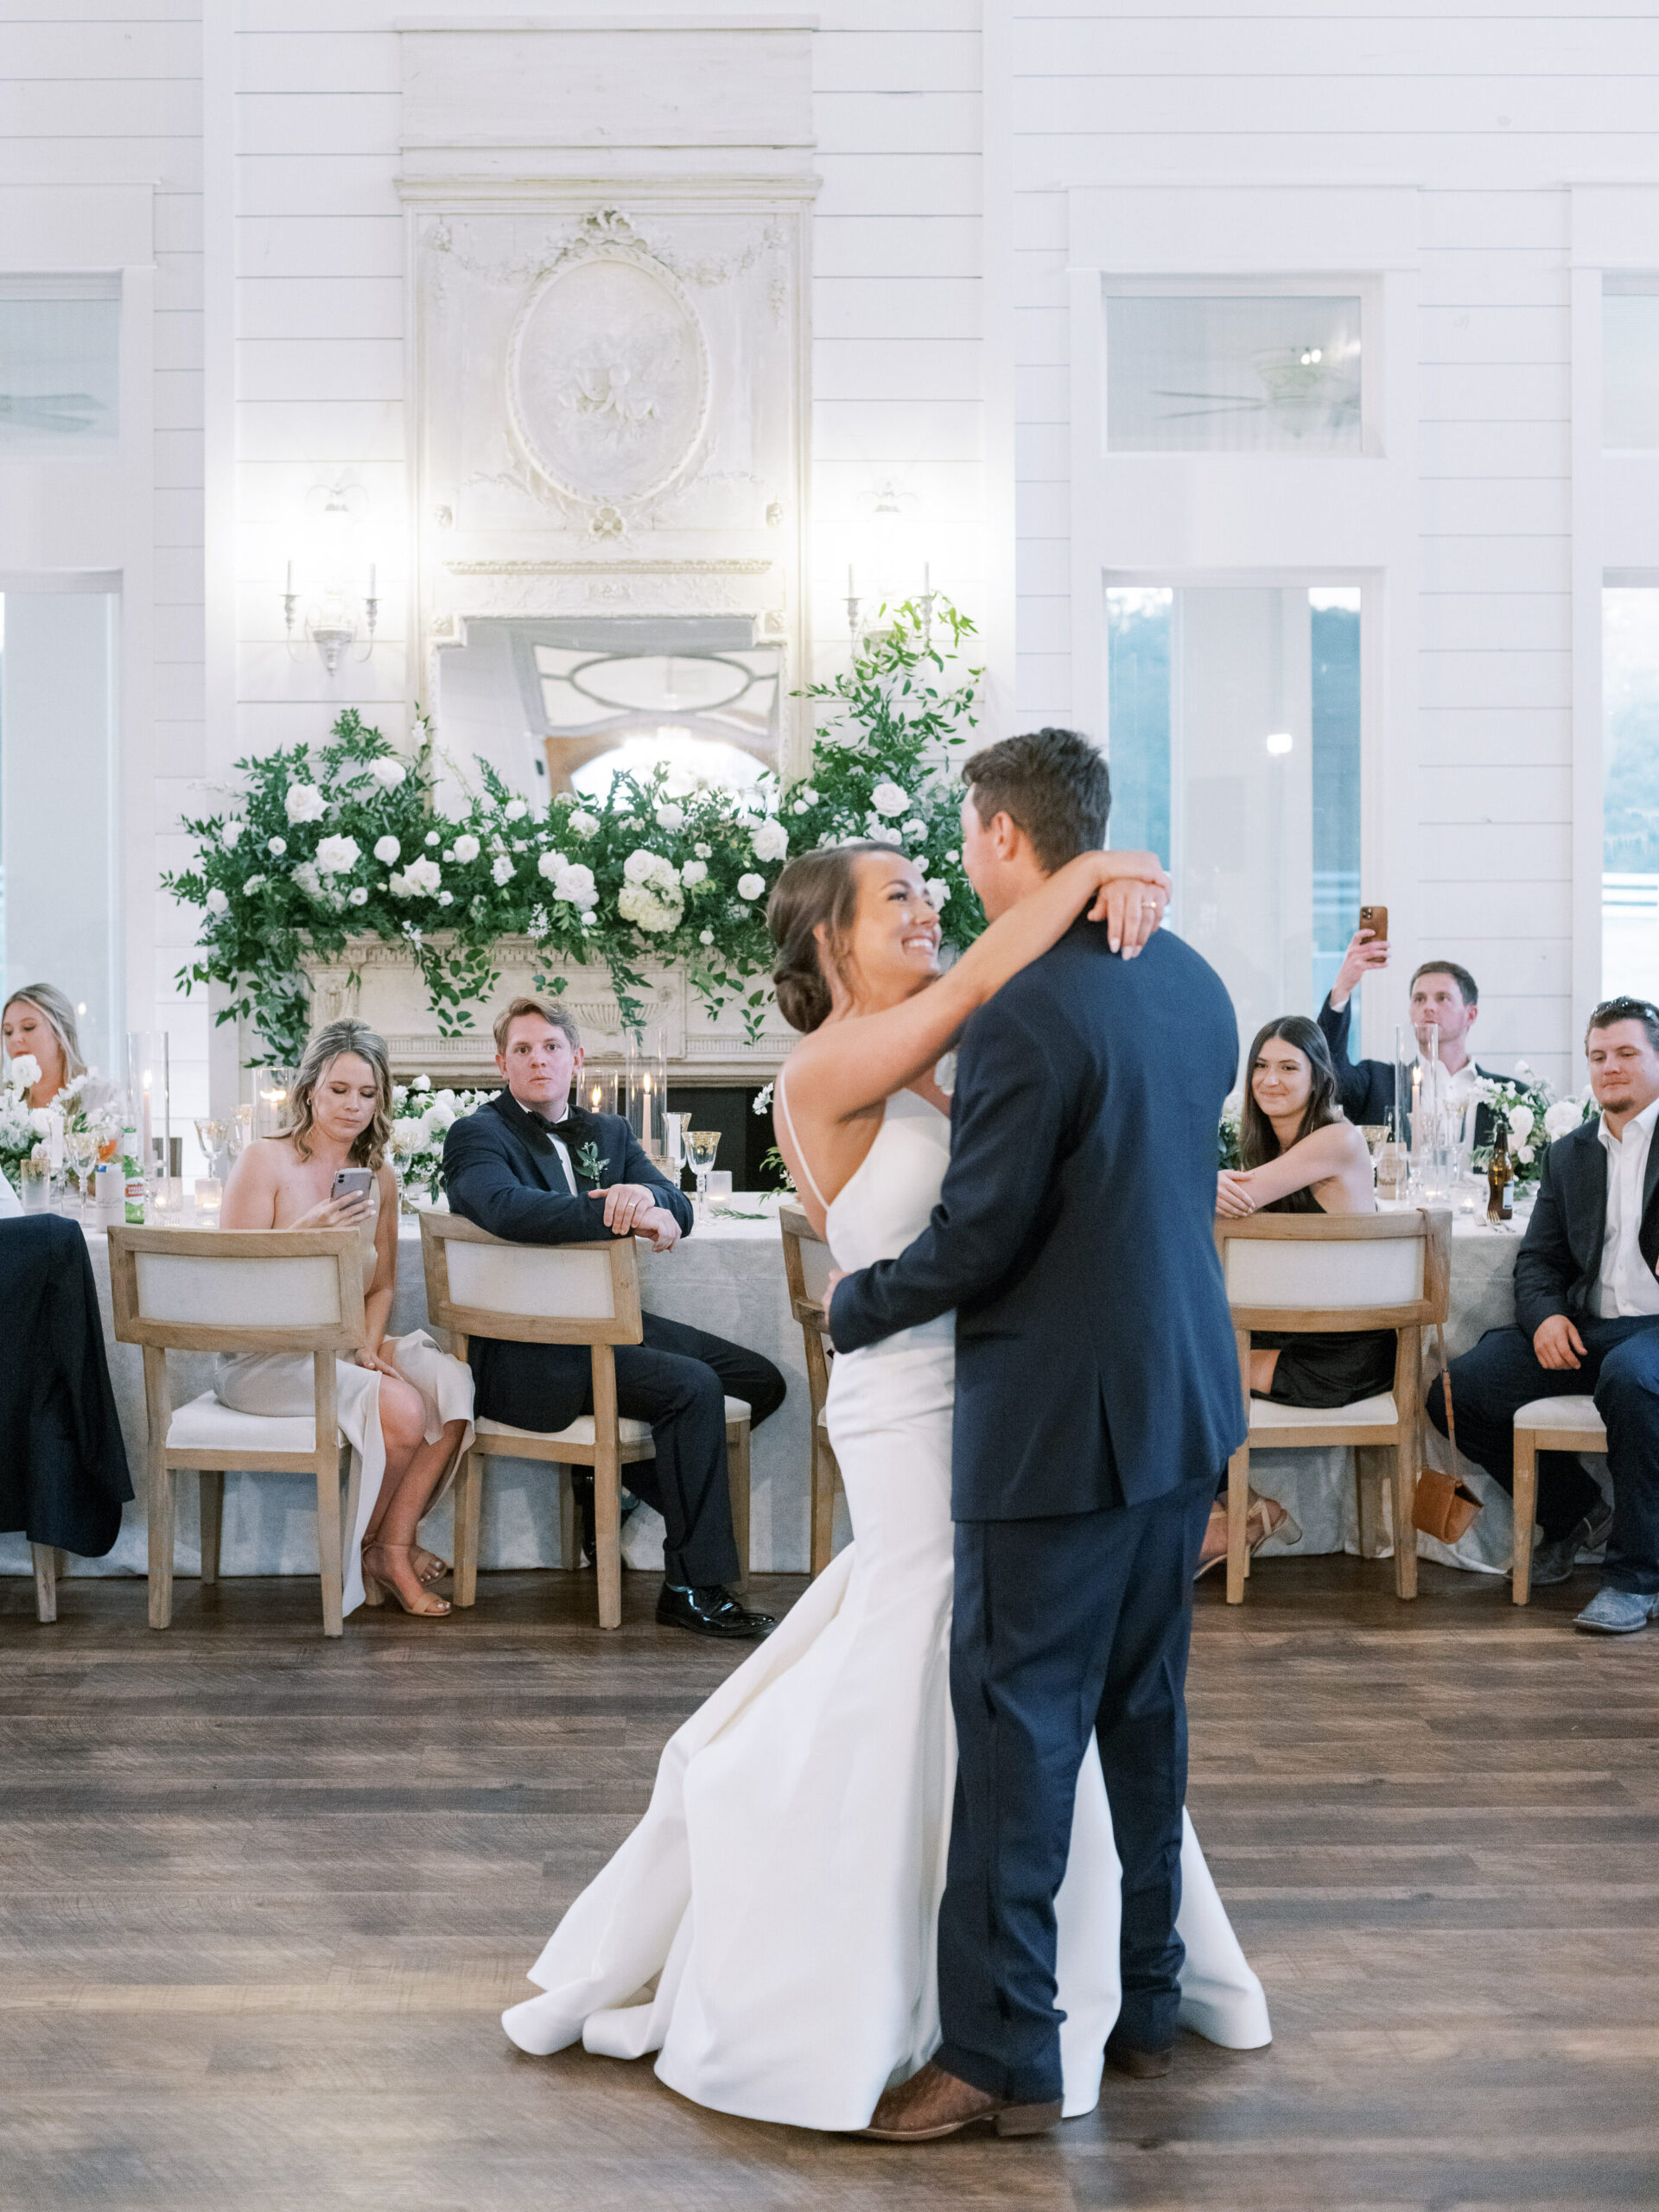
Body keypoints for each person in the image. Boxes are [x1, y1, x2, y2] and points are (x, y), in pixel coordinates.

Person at [499, 776, 1269, 2131]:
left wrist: (1099, 873)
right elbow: (985, 987)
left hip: (1005, 1398)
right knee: (939, 1660)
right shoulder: (832, 1066)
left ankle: (1032, 1985)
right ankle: (904, 1984)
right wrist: (1095, 873)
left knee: (984, 1686)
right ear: (825, 951)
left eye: (931, 880)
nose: (925, 904)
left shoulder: (939, 1056)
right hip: (912, 1403)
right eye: (894, 897)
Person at [823, 730, 1270, 2141]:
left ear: (1006, 839)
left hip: (1055, 1435)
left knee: (1017, 1736)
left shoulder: (1020, 1015)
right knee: (1146, 1717)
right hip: (1183, 1405)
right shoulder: (1192, 980)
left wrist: (857, 1301)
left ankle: (1000, 2057)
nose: (956, 868)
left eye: (965, 839)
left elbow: (979, 1238)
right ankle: (1143, 1998)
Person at [442, 998, 784, 1642]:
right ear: (500, 1063)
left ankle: (613, 1473)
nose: (538, 1059)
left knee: (761, 1381)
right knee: (691, 1388)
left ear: (577, 1059)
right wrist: (617, 1209)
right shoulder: (478, 1134)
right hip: (529, 1348)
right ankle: (693, 1586)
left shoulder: (609, 1133)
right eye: (522, 1050)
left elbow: (677, 1203)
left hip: (605, 1325)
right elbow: (505, 1208)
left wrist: (650, 1196)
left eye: (550, 1047)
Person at [218, 1019, 473, 1618]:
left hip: (342, 1343)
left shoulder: (378, 1175)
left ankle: (388, 1545)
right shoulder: (265, 1160)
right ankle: (378, 1551)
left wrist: (365, 1344)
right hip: (266, 1357)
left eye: (368, 1092)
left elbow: (381, 1282)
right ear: (310, 1089)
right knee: (405, 1410)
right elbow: (230, 1289)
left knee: (453, 1385)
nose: (353, 1105)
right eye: (339, 1089)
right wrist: (301, 1236)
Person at [1427, 997, 1659, 1629]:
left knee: (1633, 1379)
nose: (1610, 1067)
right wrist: (1548, 1318)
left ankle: (1636, 1579)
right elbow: (1538, 1262)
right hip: (1585, 1330)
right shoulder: (1570, 1153)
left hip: (1654, 1335)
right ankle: (1575, 1513)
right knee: (1456, 1391)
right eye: (1598, 1056)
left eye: (1627, 1054)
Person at [1202, 1014, 1393, 1575]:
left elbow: (1242, 1196)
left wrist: (1195, 1176)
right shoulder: (1265, 1147)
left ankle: (1235, 1517)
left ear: (1319, 1079)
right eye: (1261, 1066)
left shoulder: (1336, 1138)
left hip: (1343, 1353)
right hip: (1296, 1335)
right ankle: (1232, 1515)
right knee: (1168, 1352)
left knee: (1186, 1372)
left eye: (1289, 1067)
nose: (1270, 1079)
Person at [1317, 934, 1504, 1156]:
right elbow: (1327, 1067)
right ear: (1410, 1012)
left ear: (1470, 1014)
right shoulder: (1377, 1083)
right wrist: (1343, 988)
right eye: (1419, 999)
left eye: (1442, 998)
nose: (1428, 1007)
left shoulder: (1511, 1097)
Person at [3, 983, 86, 1109]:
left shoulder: (103, 1100)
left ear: (61, 1034)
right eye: (8, 1032)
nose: (15, 1039)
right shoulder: (3, 1100)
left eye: (28, 1027)